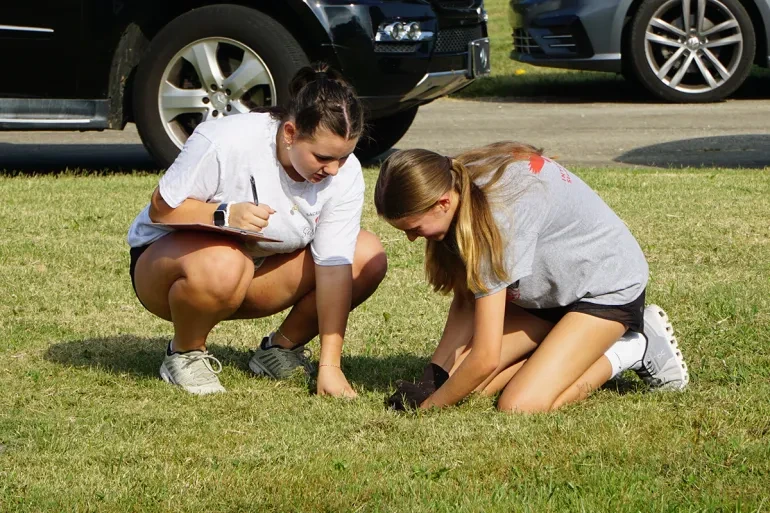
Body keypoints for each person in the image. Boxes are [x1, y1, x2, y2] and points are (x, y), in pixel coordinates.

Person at [127, 63, 387, 396]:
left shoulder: (343, 172)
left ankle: (278, 351)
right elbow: (161, 209)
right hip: (167, 271)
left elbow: (335, 268)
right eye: (323, 157)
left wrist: (330, 367)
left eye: (344, 156)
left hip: (254, 273)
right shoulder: (225, 140)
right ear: (290, 133)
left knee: (365, 255)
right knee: (226, 261)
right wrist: (224, 215)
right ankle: (185, 353)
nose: (334, 170)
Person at [374, 142, 688, 412]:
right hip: (547, 294)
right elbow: (466, 300)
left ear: (443, 202)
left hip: (603, 293)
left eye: (414, 229)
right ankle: (561, 350)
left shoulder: (497, 218)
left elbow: (484, 357)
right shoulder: (455, 181)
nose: (413, 239)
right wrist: (433, 379)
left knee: (520, 404)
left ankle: (632, 348)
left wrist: (428, 407)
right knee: (469, 386)